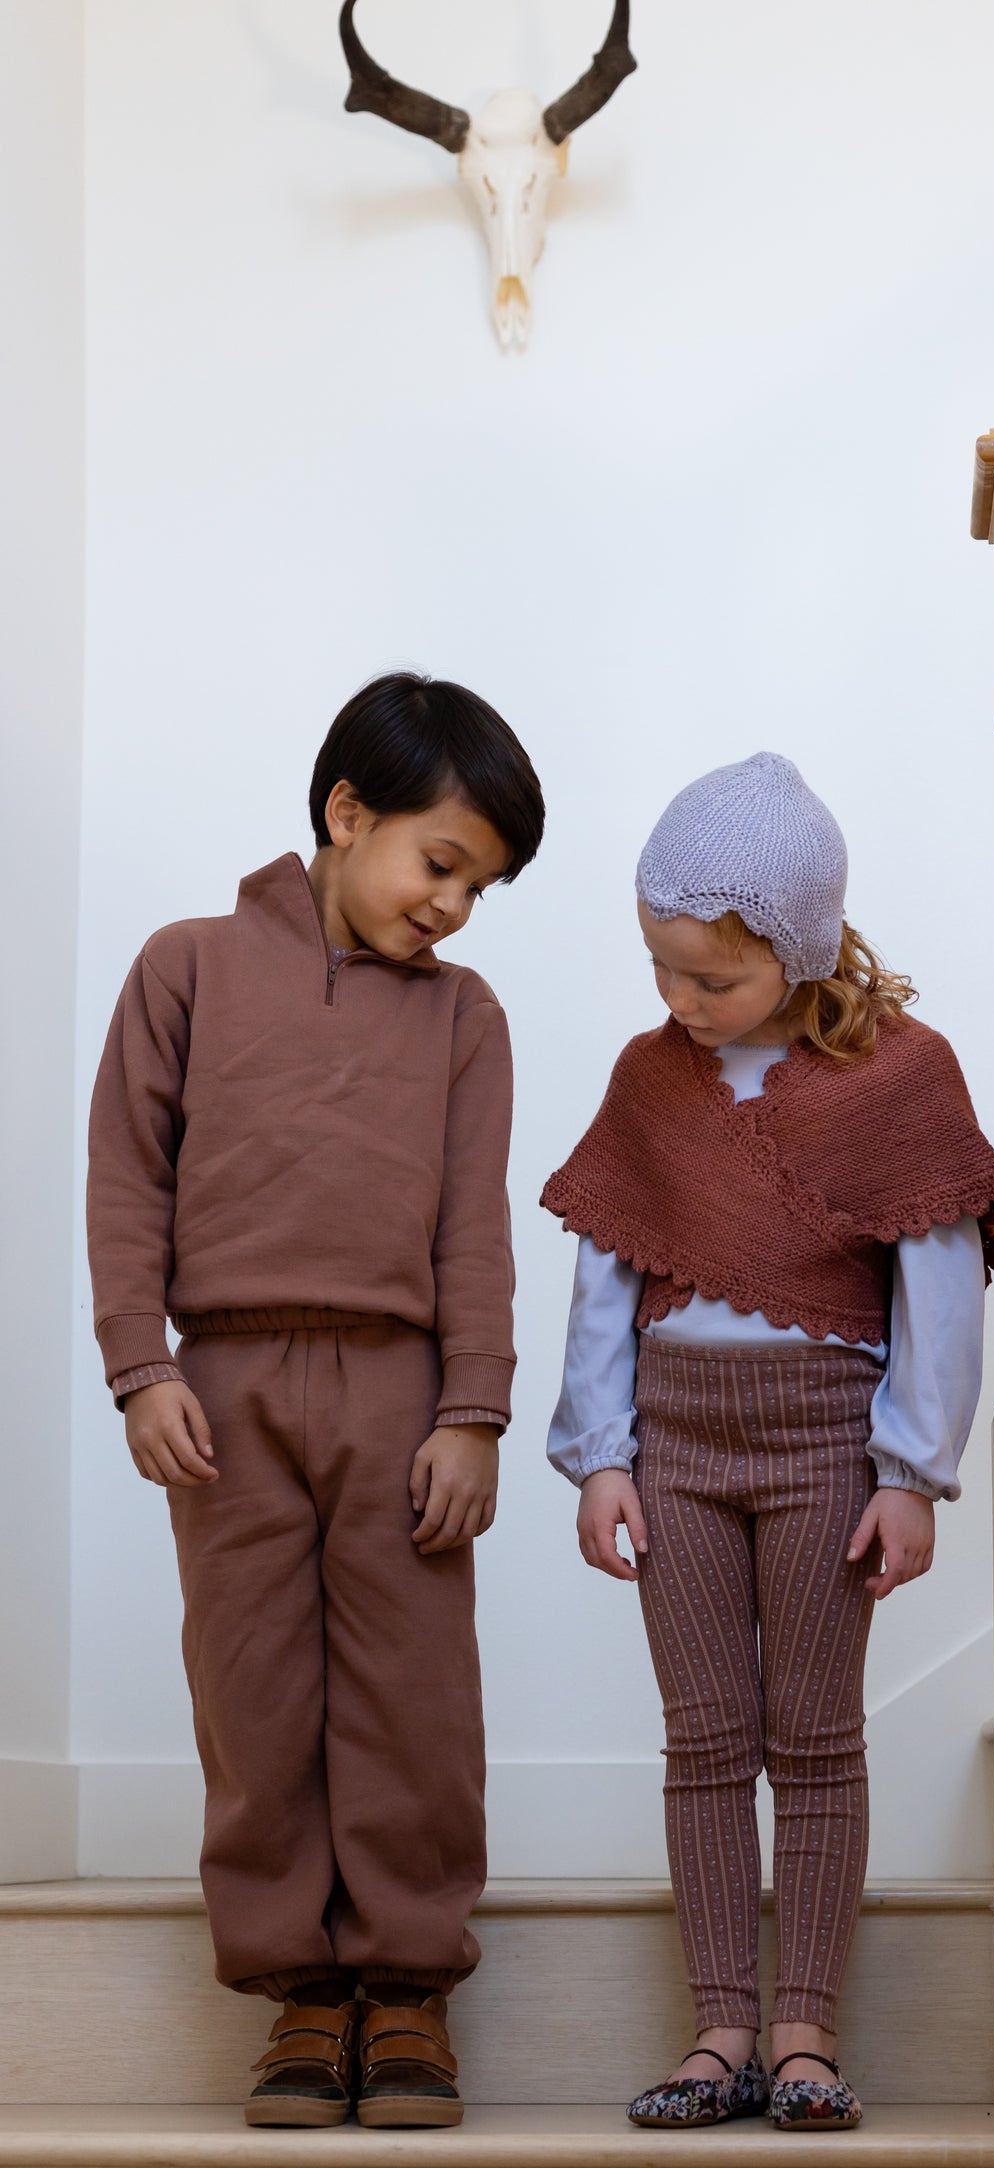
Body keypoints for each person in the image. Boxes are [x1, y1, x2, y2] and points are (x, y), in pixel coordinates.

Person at [86, 672, 544, 2131]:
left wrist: (472, 1409)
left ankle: (406, 1988)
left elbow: (475, 1226)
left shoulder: (466, 1019)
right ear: (348, 814)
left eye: (484, 886)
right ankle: (298, 1993)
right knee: (253, 1686)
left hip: (401, 1395)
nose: (455, 907)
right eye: (443, 863)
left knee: (414, 1693)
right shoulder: (189, 967)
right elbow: (122, 1183)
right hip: (220, 1391)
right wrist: (139, 1368)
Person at [542, 752, 994, 2132]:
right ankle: (718, 2033)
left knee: (811, 1740)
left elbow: (935, 1288)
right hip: (675, 1450)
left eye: (713, 981)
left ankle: (803, 2034)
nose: (681, 1004)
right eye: (661, 971)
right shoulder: (651, 1080)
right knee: (703, 1741)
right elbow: (606, 1276)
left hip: (825, 1450)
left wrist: (913, 1473)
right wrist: (602, 1455)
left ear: (802, 954)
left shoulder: (898, 1079)